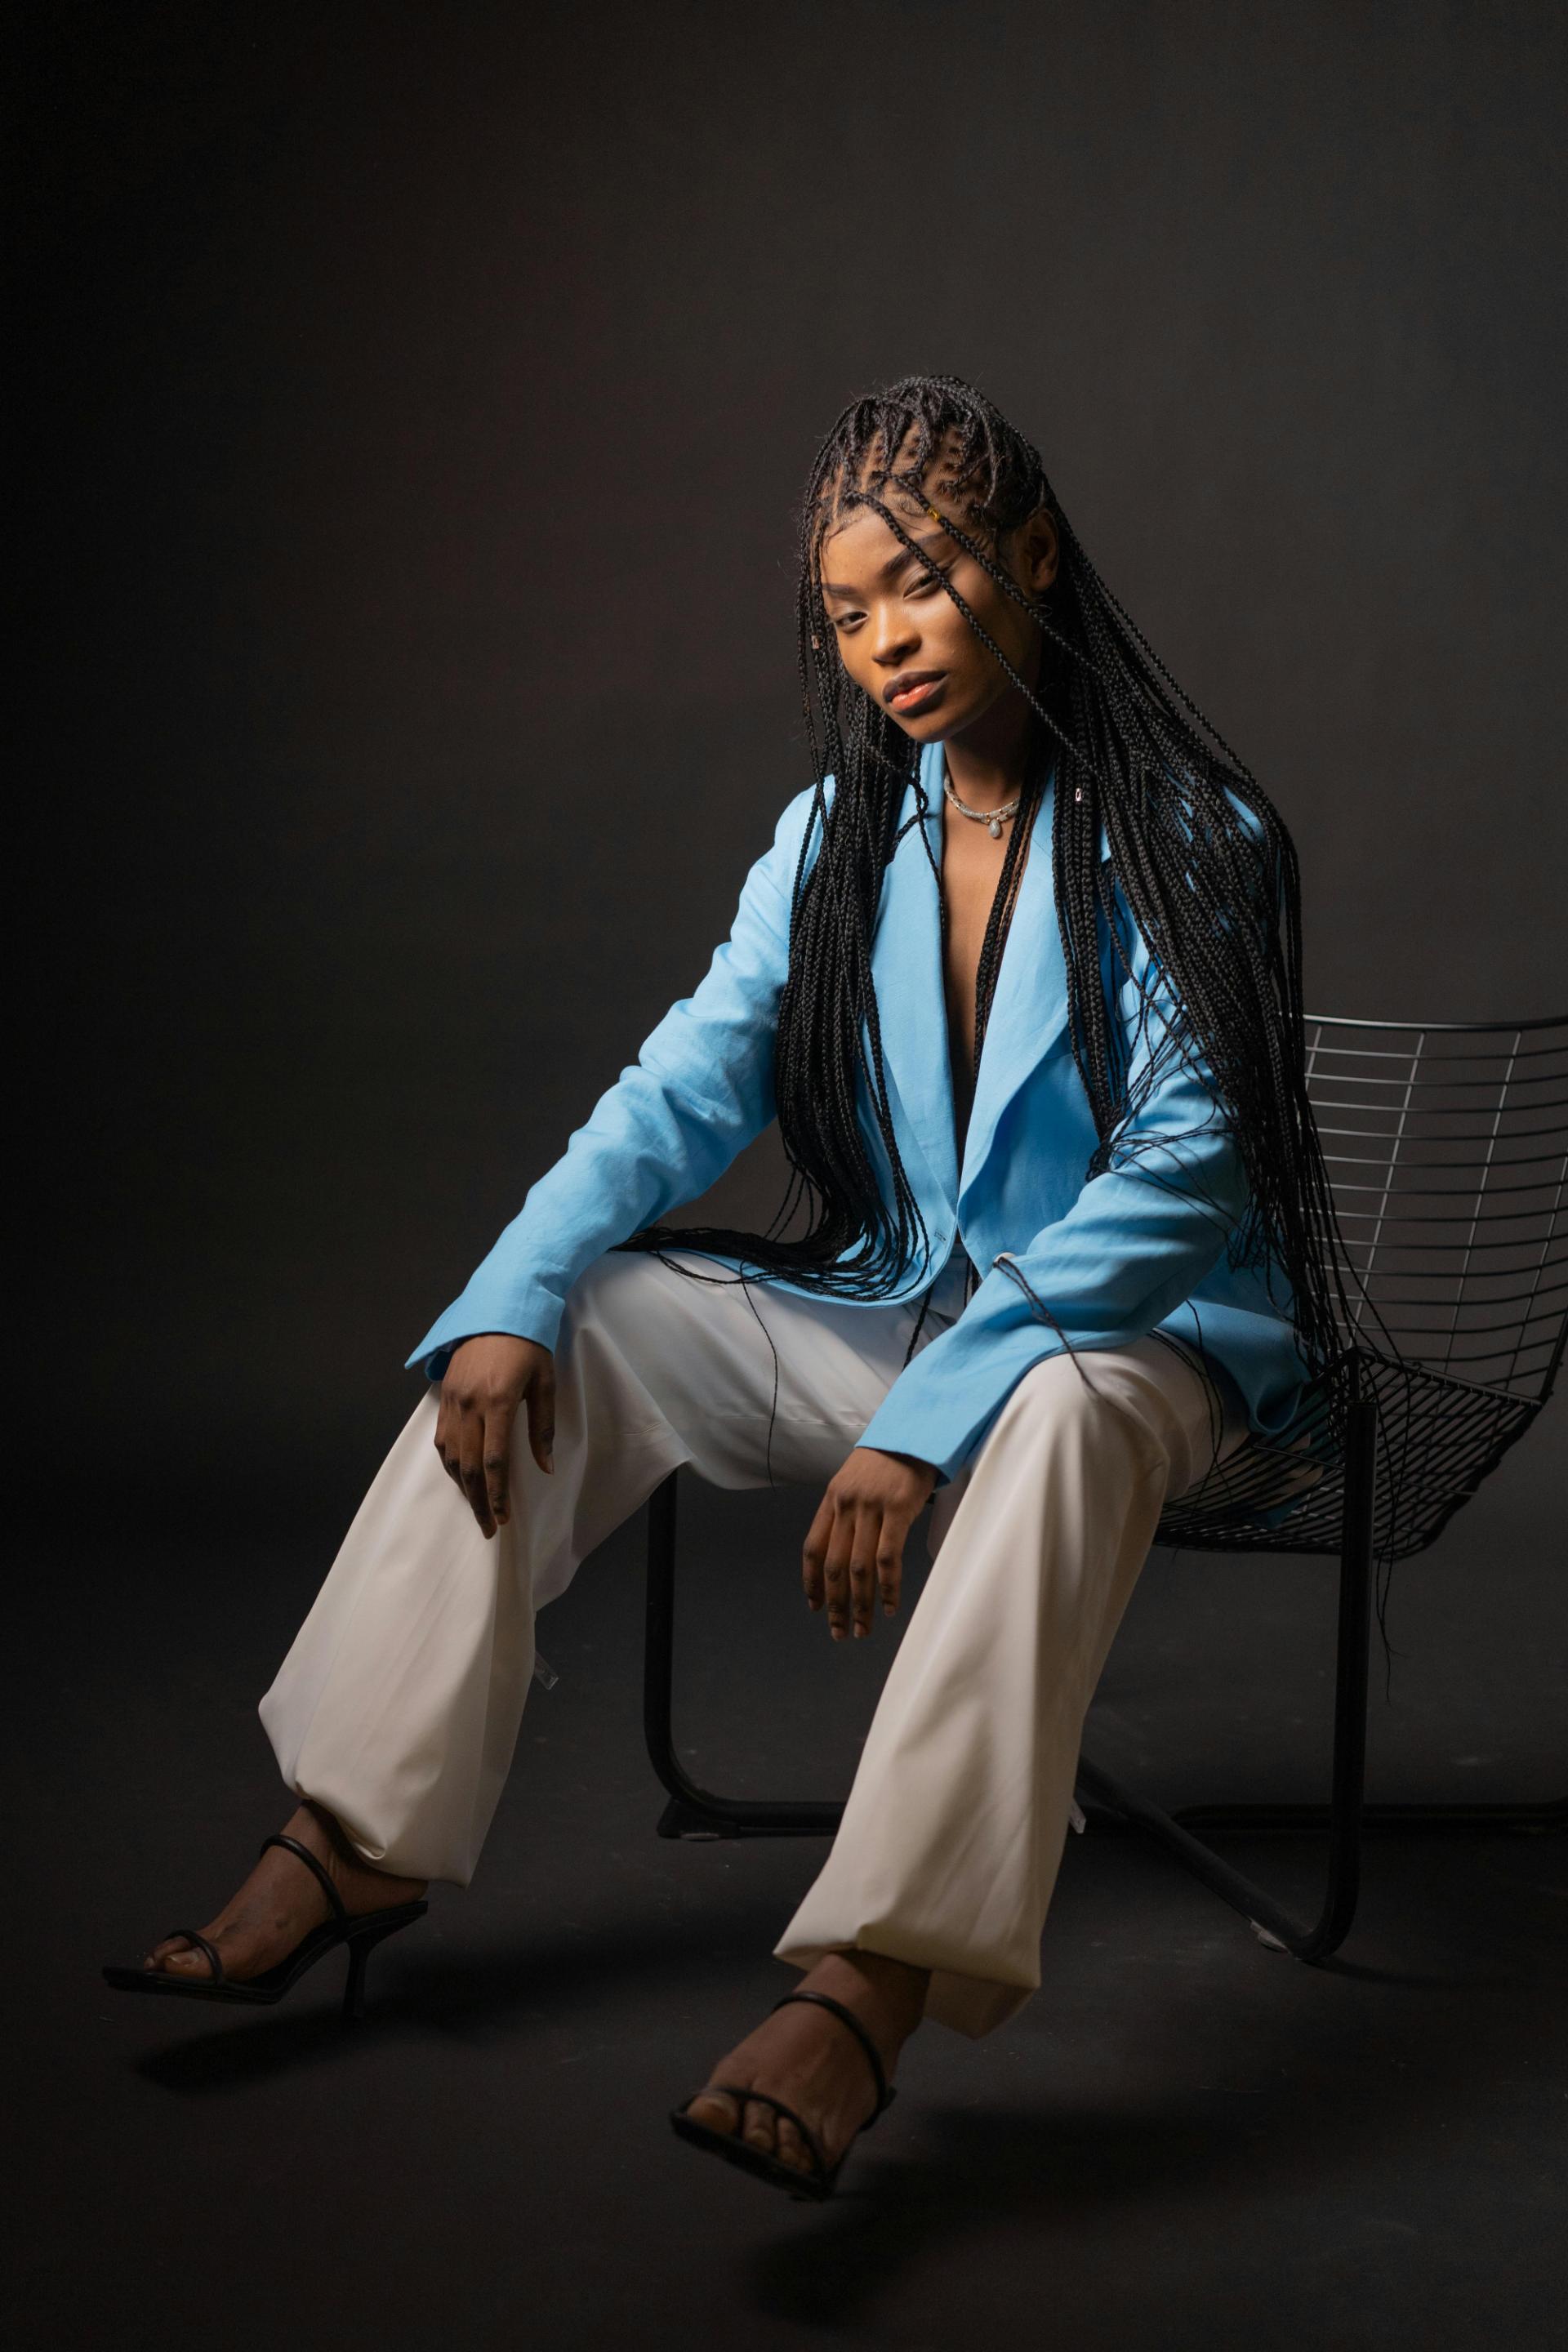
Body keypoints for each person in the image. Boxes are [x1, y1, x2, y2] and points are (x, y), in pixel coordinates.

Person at [107, 374, 1348, 2202]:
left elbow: (1185, 1178)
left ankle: (874, 1980)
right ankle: (357, 1831)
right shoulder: (839, 840)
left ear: (1033, 555)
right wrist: (512, 1291)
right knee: (596, 1321)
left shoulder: (1192, 840)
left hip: (1149, 1351)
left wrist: (926, 1425)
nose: (886, 642)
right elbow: (684, 1087)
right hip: (904, 1312)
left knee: (1068, 1408)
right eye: (847, 613)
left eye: (920, 582)